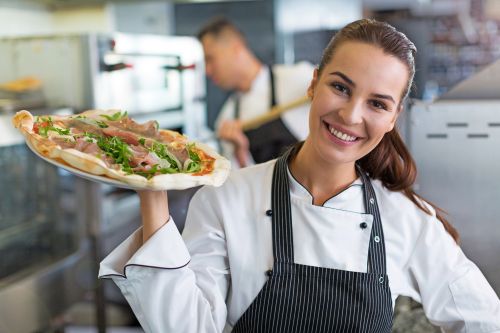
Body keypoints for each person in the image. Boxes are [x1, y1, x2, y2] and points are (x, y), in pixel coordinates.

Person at [99, 19, 500, 332]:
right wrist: (151, 192)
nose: (350, 116)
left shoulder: (408, 220)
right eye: (341, 88)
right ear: (313, 84)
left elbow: (484, 321)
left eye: (377, 104)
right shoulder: (229, 197)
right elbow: (187, 327)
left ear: (394, 118)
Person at [197, 17, 314, 168]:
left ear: (236, 48)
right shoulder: (227, 118)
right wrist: (240, 152)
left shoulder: (297, 78)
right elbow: (241, 185)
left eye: (210, 59)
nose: (207, 70)